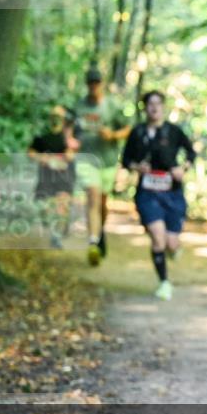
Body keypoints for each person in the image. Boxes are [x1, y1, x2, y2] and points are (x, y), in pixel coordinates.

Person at [121, 91, 196, 301]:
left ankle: (172, 250)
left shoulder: (173, 131)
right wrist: (137, 167)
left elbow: (191, 153)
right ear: (145, 108)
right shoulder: (137, 132)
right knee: (158, 237)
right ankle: (164, 282)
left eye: (158, 104)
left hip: (172, 193)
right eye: (150, 104)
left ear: (163, 107)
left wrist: (183, 168)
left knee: (172, 243)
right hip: (147, 193)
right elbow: (126, 160)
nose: (154, 108)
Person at [73, 66, 130, 266]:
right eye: (91, 82)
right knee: (92, 198)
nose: (93, 86)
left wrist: (113, 135)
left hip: (107, 161)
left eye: (97, 82)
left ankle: (100, 232)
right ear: (87, 84)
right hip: (86, 160)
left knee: (102, 203)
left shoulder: (112, 106)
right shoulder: (79, 106)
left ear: (102, 84)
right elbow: (69, 130)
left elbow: (127, 128)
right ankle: (93, 243)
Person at [27, 105, 78, 248]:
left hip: (64, 177)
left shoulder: (69, 135)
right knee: (44, 206)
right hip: (46, 177)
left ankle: (56, 236)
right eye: (54, 115)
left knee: (62, 204)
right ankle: (53, 225)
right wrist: (41, 158)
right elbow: (30, 152)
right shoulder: (42, 136)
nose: (56, 119)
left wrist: (64, 156)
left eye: (60, 116)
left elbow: (71, 154)